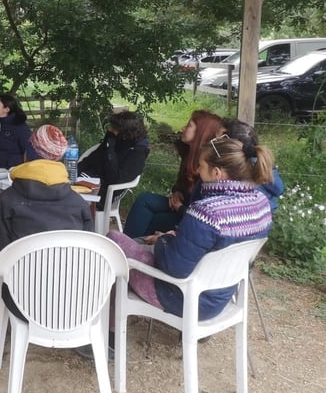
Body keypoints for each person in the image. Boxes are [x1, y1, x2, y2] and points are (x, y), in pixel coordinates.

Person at [108, 135, 274, 320]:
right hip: (219, 297)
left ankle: (108, 328)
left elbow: (174, 269)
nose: (197, 170)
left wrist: (164, 240)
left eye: (201, 166)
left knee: (112, 242)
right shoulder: (261, 204)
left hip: (185, 299)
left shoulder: (207, 212)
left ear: (217, 173)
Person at [0, 124, 93, 255]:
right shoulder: (79, 204)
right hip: (67, 268)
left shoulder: (8, 199)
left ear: (27, 155)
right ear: (58, 158)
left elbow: (1, 250)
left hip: (21, 268)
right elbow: (88, 253)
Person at [123, 110, 224, 238]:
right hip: (181, 207)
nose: (183, 128)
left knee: (155, 220)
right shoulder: (189, 154)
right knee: (145, 200)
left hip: (189, 216)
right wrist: (177, 192)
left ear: (201, 132)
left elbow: (202, 215)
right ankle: (129, 243)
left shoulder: (208, 167)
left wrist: (180, 207)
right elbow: (182, 184)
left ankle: (128, 244)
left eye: (189, 125)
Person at [78, 110, 150, 206]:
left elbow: (115, 180)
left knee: (64, 198)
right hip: (88, 178)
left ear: (125, 133)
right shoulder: (116, 140)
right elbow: (93, 159)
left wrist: (110, 149)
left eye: (114, 128)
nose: (110, 130)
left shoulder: (137, 154)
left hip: (104, 192)